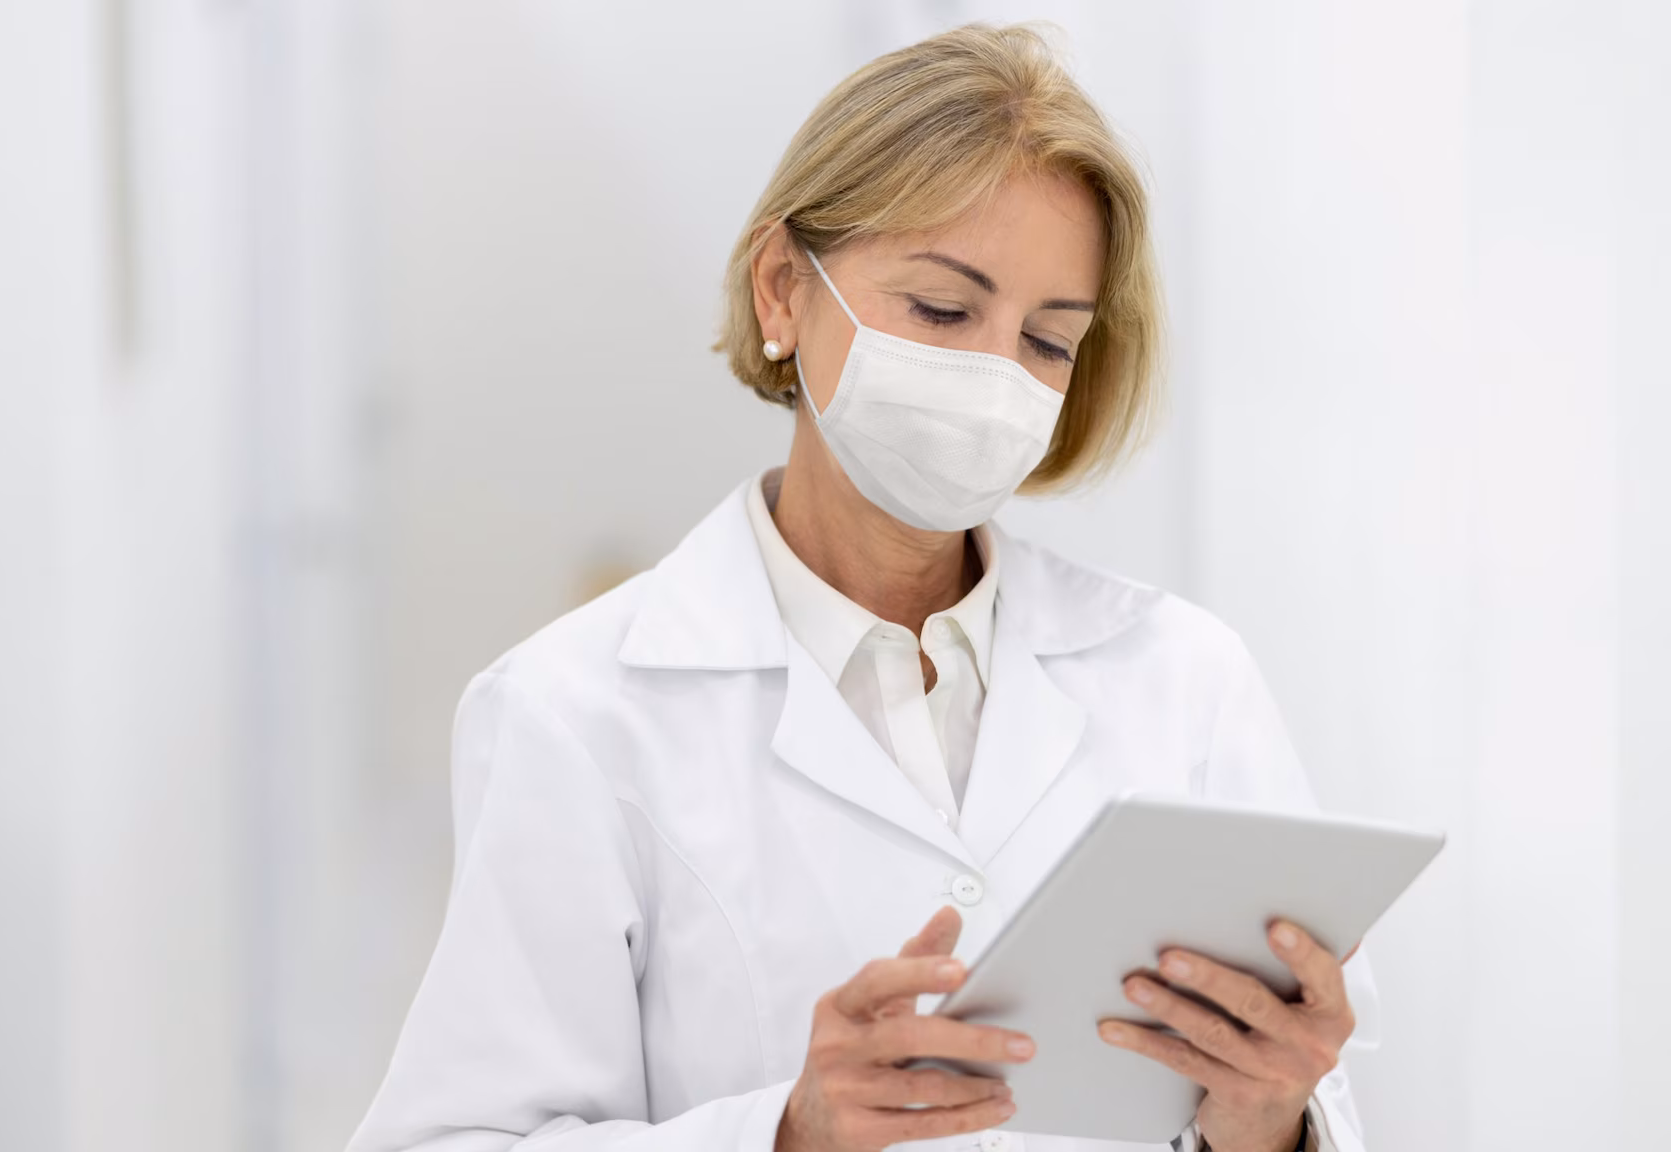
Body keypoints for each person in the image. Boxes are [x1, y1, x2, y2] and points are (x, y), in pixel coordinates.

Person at [350, 23, 1374, 1152]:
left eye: (1046, 341)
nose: (993, 377)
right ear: (784, 289)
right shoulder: (574, 711)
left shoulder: (1184, 680)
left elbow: (1306, 1101)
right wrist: (786, 1133)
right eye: (941, 311)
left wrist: (1273, 1119)